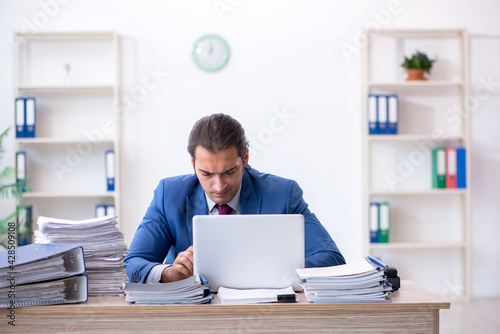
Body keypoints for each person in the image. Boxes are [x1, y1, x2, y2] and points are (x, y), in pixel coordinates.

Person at [124, 113, 345, 283]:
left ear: (245, 158)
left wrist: (279, 269)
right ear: (193, 164)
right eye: (207, 174)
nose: (218, 186)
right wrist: (168, 273)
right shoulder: (169, 194)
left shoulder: (283, 194)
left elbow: (331, 258)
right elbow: (132, 265)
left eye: (229, 171)